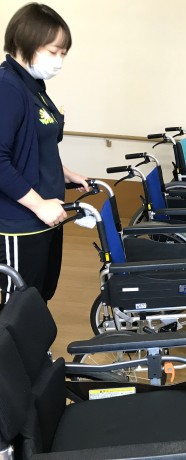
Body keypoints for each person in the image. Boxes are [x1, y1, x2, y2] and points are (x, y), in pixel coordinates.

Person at [0, 3, 89, 305]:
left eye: (63, 53)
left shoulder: (34, 87)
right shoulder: (7, 87)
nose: (59, 61)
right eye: (53, 52)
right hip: (21, 220)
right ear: (24, 43)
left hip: (47, 213)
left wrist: (66, 173)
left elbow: (35, 146)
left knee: (38, 298)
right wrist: (38, 205)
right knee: (19, 307)